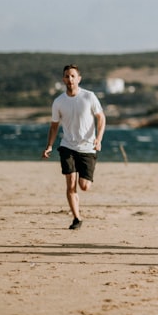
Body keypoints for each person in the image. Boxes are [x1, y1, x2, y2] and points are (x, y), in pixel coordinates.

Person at [42, 64, 106, 230]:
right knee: (70, 184)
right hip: (67, 146)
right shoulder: (58, 101)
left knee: (84, 186)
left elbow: (101, 118)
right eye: (66, 76)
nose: (69, 79)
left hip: (88, 147)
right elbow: (54, 126)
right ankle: (76, 218)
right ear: (63, 79)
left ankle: (80, 203)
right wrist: (49, 145)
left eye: (72, 76)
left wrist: (98, 138)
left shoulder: (89, 97)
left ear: (79, 78)